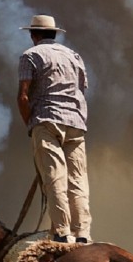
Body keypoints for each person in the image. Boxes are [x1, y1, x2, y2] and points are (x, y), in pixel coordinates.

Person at [17, 14, 91, 244]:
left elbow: (23, 96)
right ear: (54, 34)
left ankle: (62, 232)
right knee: (78, 179)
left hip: (46, 120)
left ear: (33, 35)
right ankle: (83, 233)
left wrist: (31, 124)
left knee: (54, 177)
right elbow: (81, 90)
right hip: (75, 122)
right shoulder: (74, 56)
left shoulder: (30, 56)